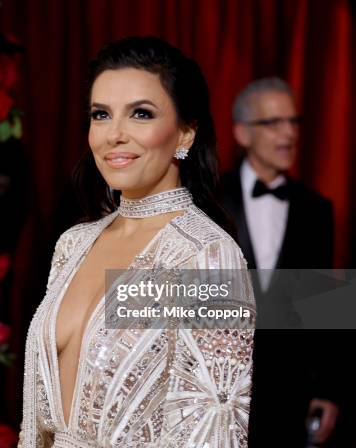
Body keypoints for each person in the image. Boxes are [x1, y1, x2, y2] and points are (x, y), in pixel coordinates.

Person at [19, 36, 255, 447]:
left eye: (140, 114)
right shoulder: (73, 244)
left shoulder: (206, 255)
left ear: (185, 134)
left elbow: (211, 432)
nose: (114, 135)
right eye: (101, 115)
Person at [220, 77, 339, 447]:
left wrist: (328, 389)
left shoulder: (317, 210)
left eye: (294, 122)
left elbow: (322, 305)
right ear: (242, 134)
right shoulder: (207, 201)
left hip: (291, 391)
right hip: (219, 389)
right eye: (273, 123)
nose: (288, 133)